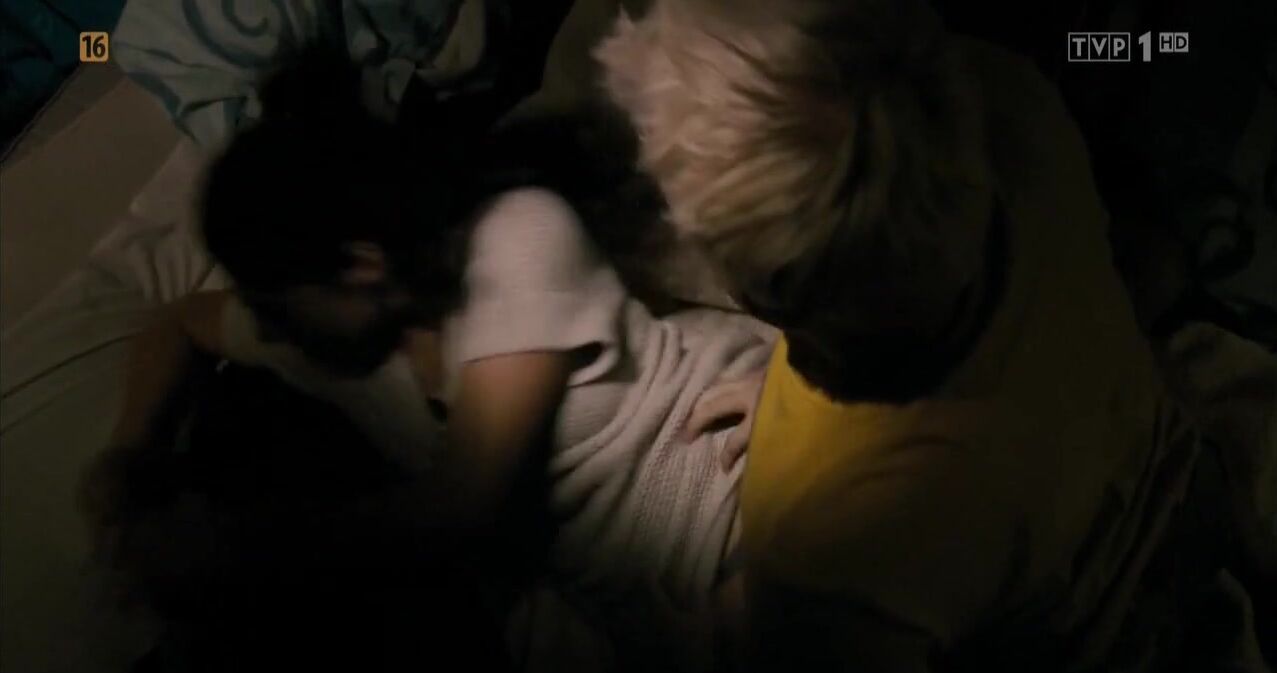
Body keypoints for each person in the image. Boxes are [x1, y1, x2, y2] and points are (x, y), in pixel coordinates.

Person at [596, 1, 1276, 671]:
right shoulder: (1019, 113)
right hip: (1177, 483)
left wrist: (727, 628)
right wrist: (792, 389)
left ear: (759, 298)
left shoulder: (828, 532)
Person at [80, 49, 776, 672]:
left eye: (276, 303)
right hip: (676, 596)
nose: (264, 325)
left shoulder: (516, 239)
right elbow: (179, 322)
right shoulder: (344, 342)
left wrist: (235, 554)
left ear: (361, 266)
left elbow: (462, 500)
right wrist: (128, 450)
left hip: (737, 479)